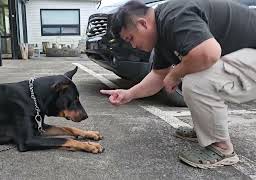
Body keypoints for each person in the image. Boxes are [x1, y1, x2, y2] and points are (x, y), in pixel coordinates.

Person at [100, 0, 256, 169]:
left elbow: (208, 53)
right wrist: (128, 94)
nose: (133, 45)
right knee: (193, 70)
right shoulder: (162, 33)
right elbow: (158, 76)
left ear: (142, 24)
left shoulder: (174, 15)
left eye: (130, 38)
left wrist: (175, 74)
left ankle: (221, 148)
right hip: (245, 55)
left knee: (196, 80)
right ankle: (205, 130)